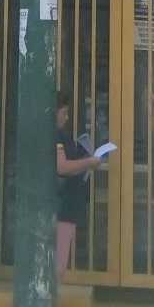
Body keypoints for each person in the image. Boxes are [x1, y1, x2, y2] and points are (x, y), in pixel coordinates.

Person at [55, 92, 105, 274]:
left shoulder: (62, 135)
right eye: (64, 113)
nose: (66, 117)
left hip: (67, 204)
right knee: (58, 263)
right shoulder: (55, 136)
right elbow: (61, 167)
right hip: (60, 204)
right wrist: (89, 162)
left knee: (60, 259)